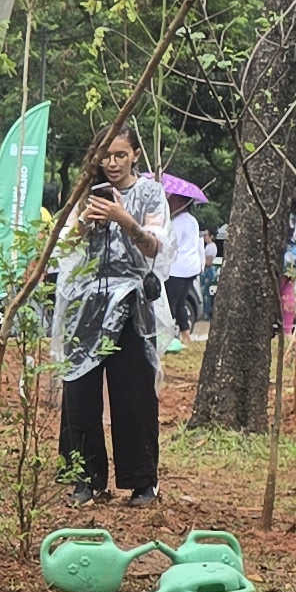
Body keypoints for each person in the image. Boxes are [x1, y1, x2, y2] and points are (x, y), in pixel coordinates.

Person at [53, 132, 171, 504]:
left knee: (134, 392)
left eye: (121, 155)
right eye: (107, 155)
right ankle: (85, 479)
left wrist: (125, 219)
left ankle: (141, 481)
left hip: (133, 305)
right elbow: (63, 248)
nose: (114, 163)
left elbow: (155, 246)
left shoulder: (151, 194)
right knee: (80, 390)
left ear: (135, 154)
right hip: (84, 304)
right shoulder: (84, 193)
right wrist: (85, 222)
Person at [160, 189, 208, 332]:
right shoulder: (192, 221)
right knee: (181, 302)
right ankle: (185, 332)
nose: (169, 201)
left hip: (177, 269)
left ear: (182, 202)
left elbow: (170, 245)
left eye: (173, 199)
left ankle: (169, 333)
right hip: (190, 267)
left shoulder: (178, 222)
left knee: (170, 304)